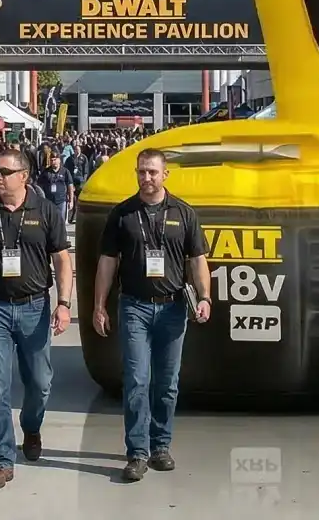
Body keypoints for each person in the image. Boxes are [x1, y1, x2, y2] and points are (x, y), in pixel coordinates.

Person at [0, 149, 74, 491]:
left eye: (5, 172)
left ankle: (32, 426)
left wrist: (64, 303)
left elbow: (63, 262)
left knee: (39, 382)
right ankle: (2, 460)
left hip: (35, 307)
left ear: (24, 176)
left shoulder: (46, 212)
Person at [91, 149, 210, 481]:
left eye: (153, 173)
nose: (147, 178)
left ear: (165, 175)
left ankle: (161, 446)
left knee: (167, 383)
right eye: (142, 172)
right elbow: (107, 263)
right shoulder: (122, 214)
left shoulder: (184, 213)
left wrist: (205, 297)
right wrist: (99, 305)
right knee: (137, 381)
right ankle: (137, 452)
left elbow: (197, 260)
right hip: (134, 307)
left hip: (173, 309)